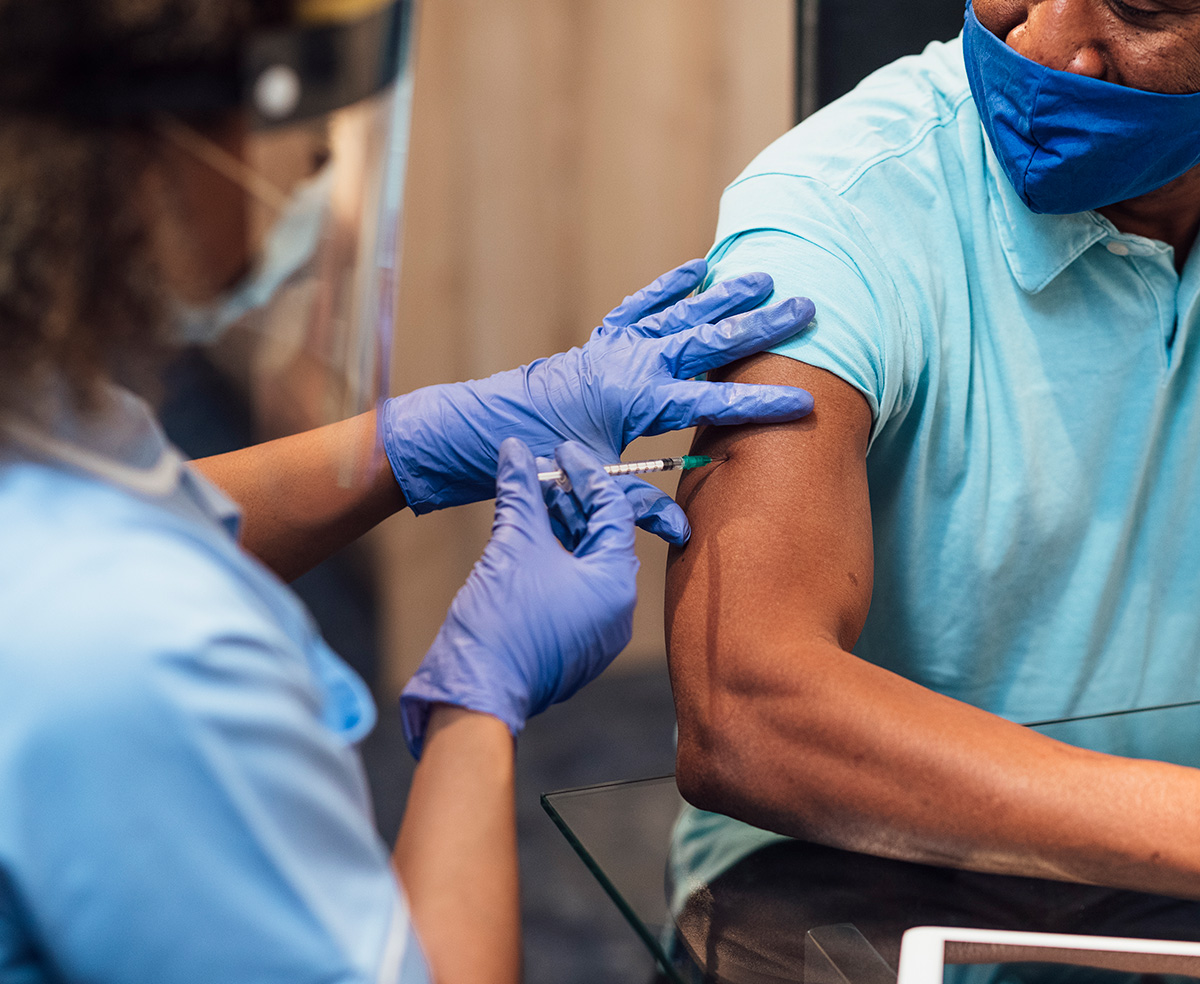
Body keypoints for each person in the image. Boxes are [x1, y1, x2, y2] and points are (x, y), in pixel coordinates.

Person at [0, 1, 819, 982]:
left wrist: (416, 445)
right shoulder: (141, 660)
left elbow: (145, 507)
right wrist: (478, 700)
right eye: (274, 113)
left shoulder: (45, 415)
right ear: (137, 158)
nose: (308, 166)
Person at [666, 0, 1200, 905]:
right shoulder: (835, 212)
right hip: (857, 858)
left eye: (1141, 5)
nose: (1039, 42)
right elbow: (748, 709)